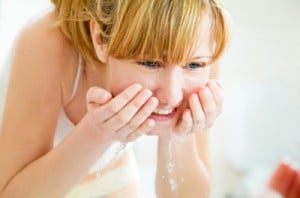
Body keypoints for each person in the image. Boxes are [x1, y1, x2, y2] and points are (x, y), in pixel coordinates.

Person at [0, 0, 229, 197]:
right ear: (100, 39)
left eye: (194, 65)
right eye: (150, 63)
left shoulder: (203, 36)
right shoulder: (48, 42)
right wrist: (97, 132)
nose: (172, 95)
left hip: (110, 175)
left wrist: (180, 135)